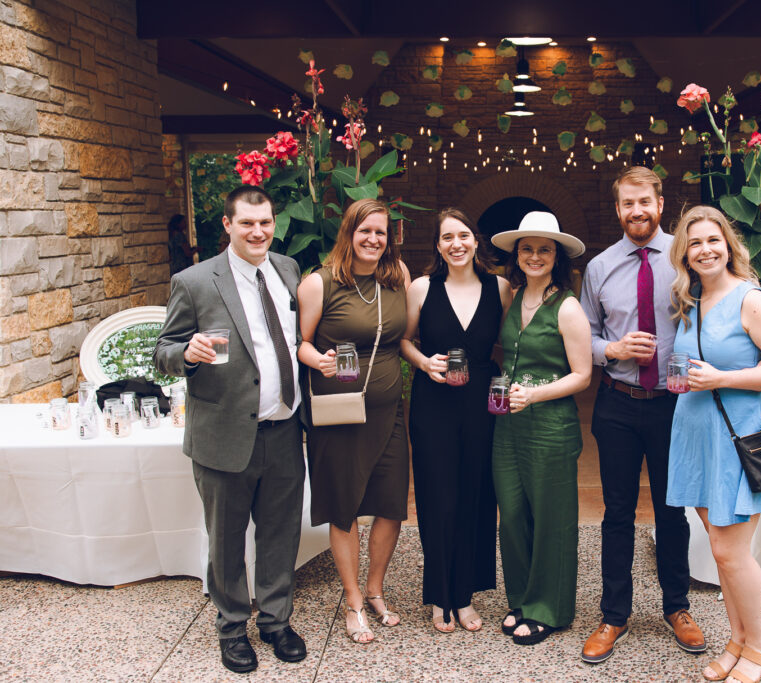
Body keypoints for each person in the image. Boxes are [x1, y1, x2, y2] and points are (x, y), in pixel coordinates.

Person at [154, 186, 307, 674]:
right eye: (247, 223)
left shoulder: (287, 270)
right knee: (225, 540)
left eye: (265, 222)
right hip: (224, 434)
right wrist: (187, 353)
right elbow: (163, 351)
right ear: (228, 225)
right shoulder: (194, 281)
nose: (258, 231)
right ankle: (232, 627)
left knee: (281, 535)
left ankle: (276, 622)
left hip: (284, 429)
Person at [665, 205, 761, 683]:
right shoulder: (689, 301)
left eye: (712, 240)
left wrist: (724, 377)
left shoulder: (751, 300)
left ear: (729, 246)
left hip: (738, 439)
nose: (705, 250)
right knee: (721, 548)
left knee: (729, 552)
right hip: (696, 437)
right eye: (695, 243)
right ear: (684, 254)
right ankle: (737, 639)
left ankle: (760, 645)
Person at [578, 166, 706, 664]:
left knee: (673, 510)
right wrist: (612, 348)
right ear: (618, 209)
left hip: (677, 405)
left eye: (645, 202)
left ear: (659, 203)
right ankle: (614, 615)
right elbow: (584, 335)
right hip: (618, 404)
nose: (637, 211)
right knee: (617, 513)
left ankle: (677, 607)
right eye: (627, 204)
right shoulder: (599, 267)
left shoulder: (686, 258)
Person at [297, 198, 411, 644]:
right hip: (339, 409)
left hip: (389, 410)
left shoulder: (397, 278)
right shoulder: (318, 284)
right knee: (343, 506)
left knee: (389, 506)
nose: (373, 239)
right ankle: (353, 601)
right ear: (348, 233)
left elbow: (406, 336)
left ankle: (376, 590)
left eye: (381, 232)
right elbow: (300, 344)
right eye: (365, 231)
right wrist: (318, 361)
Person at [401, 208, 512, 632]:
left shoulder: (499, 288)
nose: (457, 244)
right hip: (434, 402)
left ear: (475, 240)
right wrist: (424, 362)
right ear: (438, 245)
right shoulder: (421, 288)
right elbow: (405, 341)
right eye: (447, 237)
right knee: (437, 496)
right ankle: (439, 596)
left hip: (483, 400)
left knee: (477, 495)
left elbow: (512, 340)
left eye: (463, 235)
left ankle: (464, 595)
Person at [490, 211, 592, 645]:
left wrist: (535, 393)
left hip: (550, 426)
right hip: (509, 427)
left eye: (544, 249)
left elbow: (582, 374)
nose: (535, 256)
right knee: (512, 515)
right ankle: (523, 598)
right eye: (527, 248)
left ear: (557, 257)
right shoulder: (512, 297)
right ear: (517, 254)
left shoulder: (567, 307)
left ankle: (549, 609)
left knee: (552, 519)